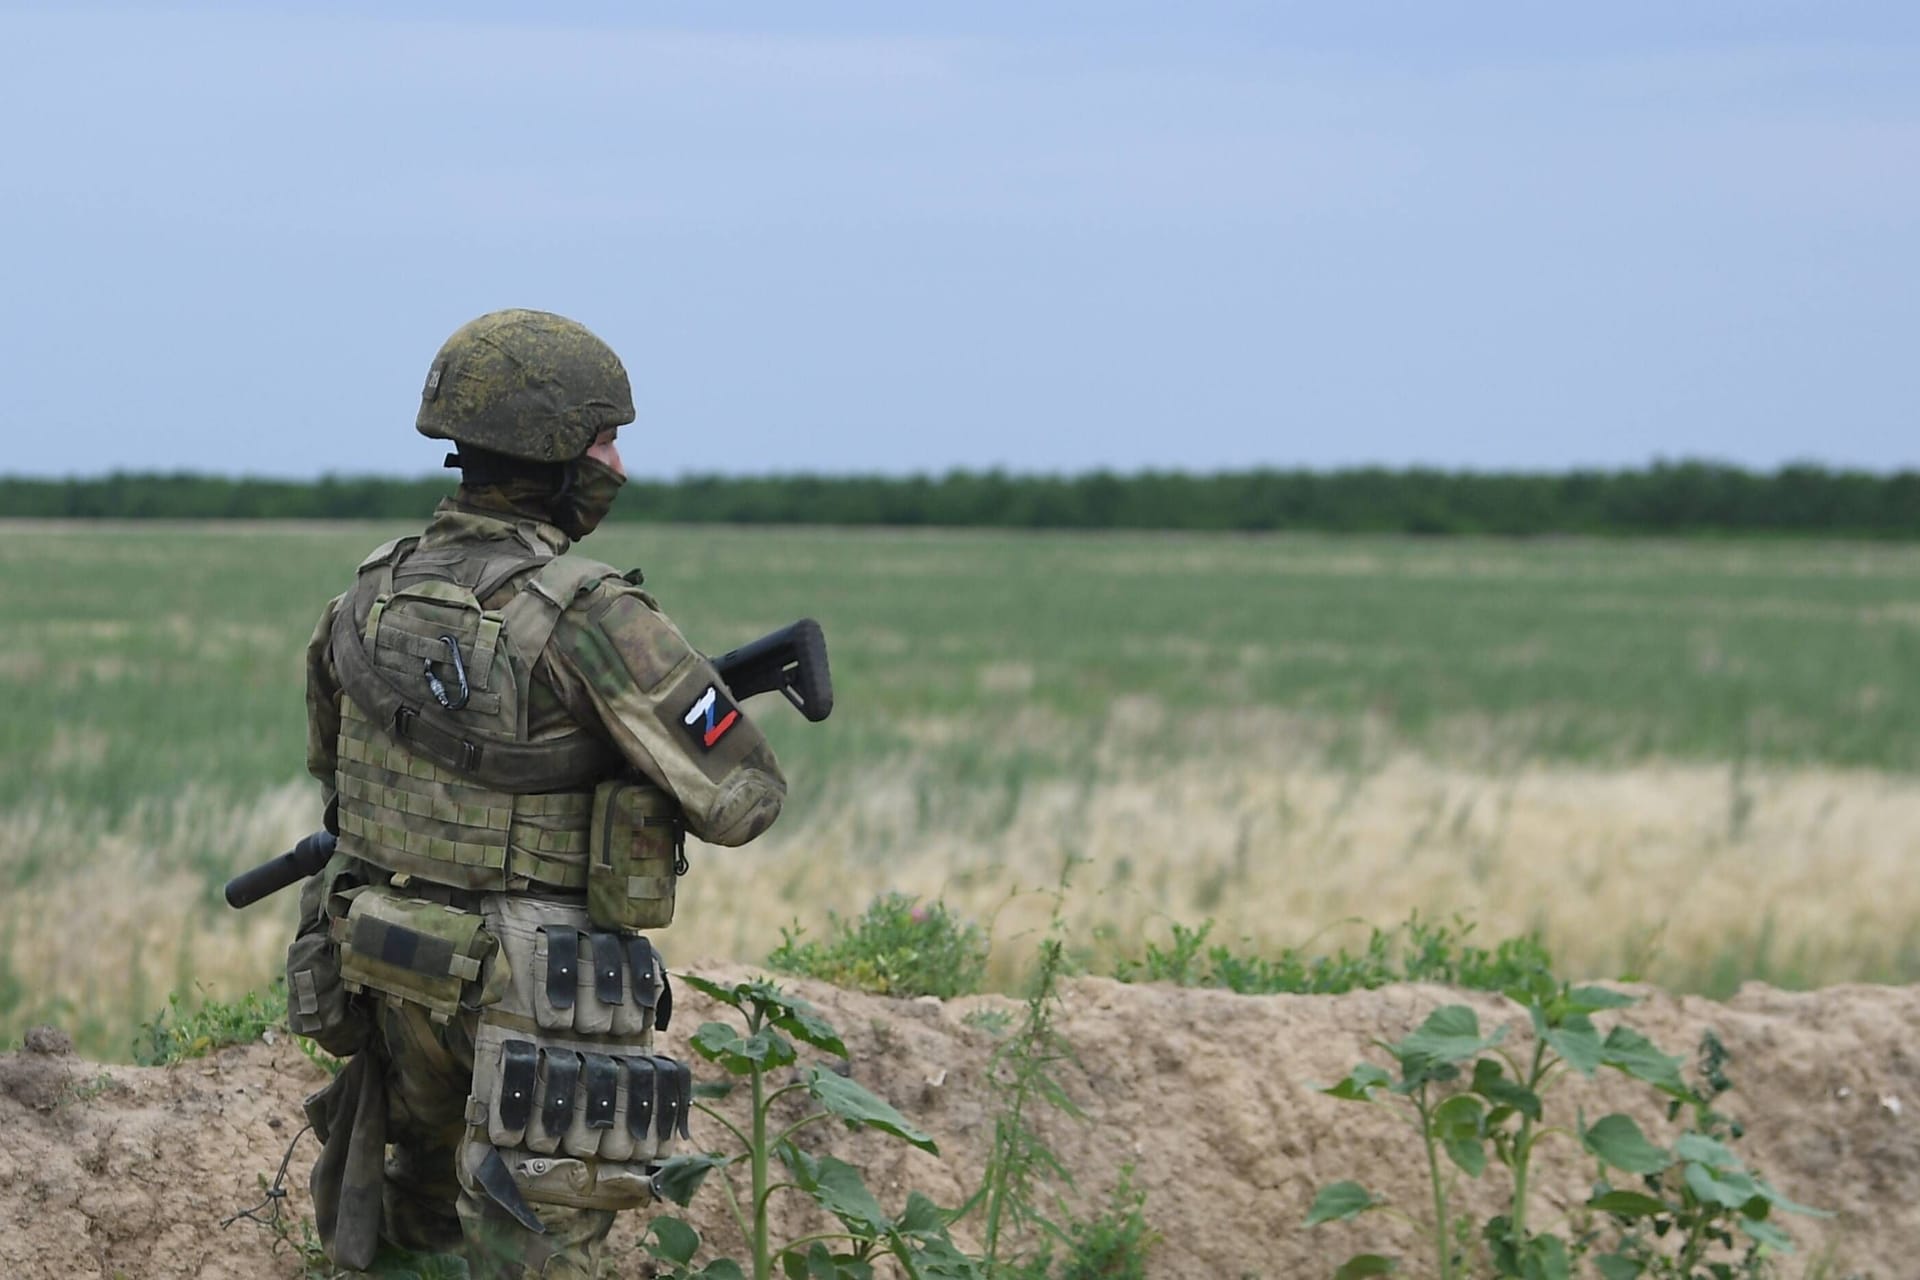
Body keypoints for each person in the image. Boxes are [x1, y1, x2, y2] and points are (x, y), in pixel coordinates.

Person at [287, 308, 786, 1277]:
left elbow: (332, 776)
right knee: (535, 1255)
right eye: (606, 440)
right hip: (541, 989)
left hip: (390, 957)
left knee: (412, 1235)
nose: (620, 466)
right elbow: (742, 798)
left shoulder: (364, 596)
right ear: (553, 452)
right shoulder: (595, 612)